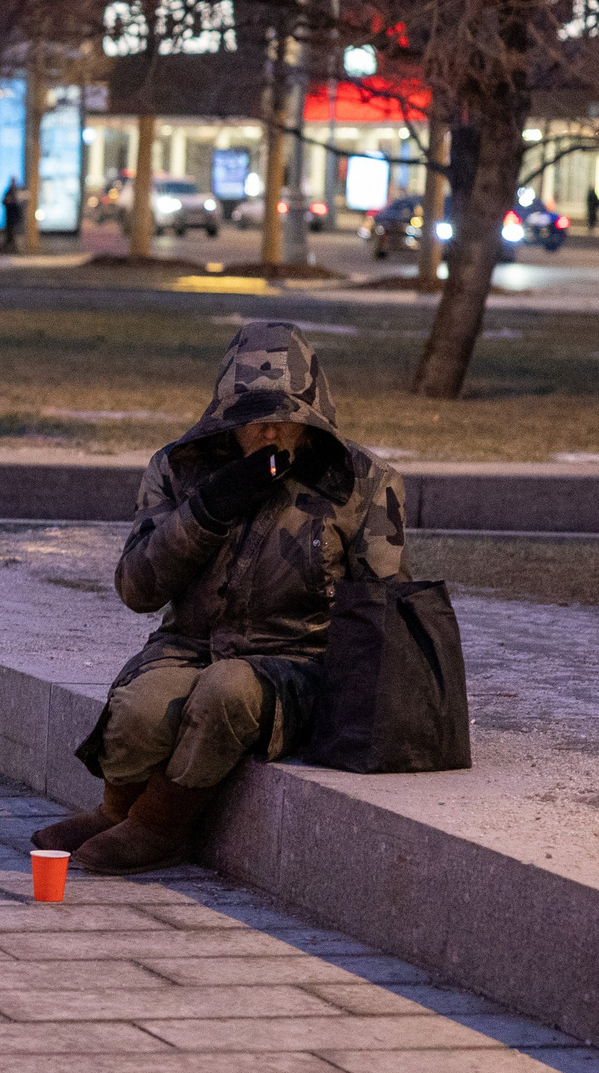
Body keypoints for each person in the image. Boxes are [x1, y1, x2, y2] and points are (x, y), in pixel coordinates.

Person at [38, 322, 409, 875]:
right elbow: (137, 590)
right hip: (191, 643)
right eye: (252, 421)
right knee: (141, 707)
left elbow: (381, 613)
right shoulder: (178, 469)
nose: (270, 436)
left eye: (287, 420)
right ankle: (115, 811)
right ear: (226, 419)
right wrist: (209, 507)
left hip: (296, 659)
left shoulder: (362, 482)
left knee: (226, 690)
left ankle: (161, 827)